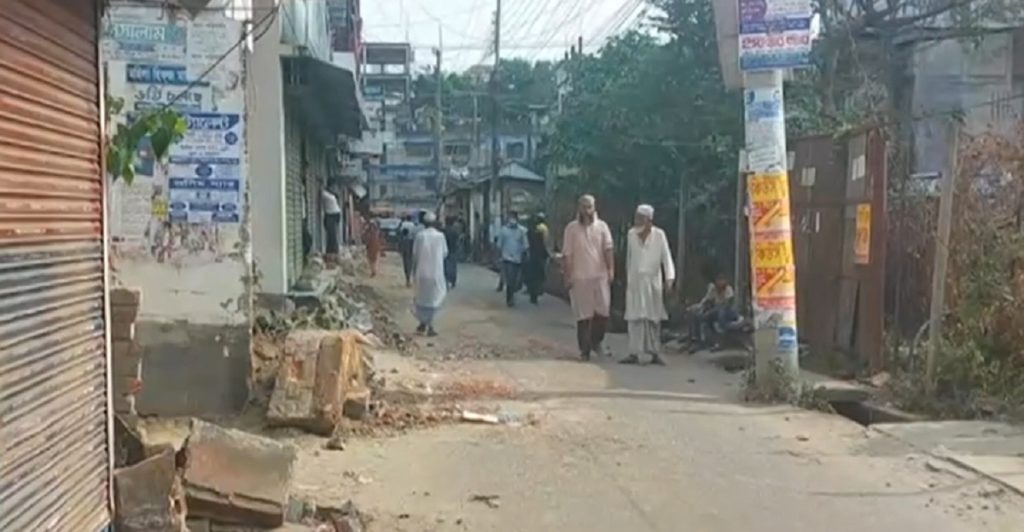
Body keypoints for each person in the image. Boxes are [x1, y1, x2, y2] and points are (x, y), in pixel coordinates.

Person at [620, 205, 676, 366]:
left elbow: (666, 258)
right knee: (634, 318)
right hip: (635, 282)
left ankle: (654, 353)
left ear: (649, 220)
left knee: (653, 319)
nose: (637, 221)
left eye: (640, 218)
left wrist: (669, 278)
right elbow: (629, 259)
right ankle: (634, 353)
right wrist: (628, 278)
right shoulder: (631, 234)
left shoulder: (659, 235)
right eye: (636, 217)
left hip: (653, 283)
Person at [563, 195, 614, 361]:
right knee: (583, 316)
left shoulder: (602, 227)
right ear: (579, 208)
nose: (587, 211)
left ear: (594, 208)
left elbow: (608, 249)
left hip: (600, 277)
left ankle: (596, 342)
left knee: (603, 313)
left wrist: (611, 269)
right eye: (584, 207)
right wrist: (568, 276)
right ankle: (584, 350)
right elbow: (567, 255)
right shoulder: (571, 229)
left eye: (589, 207)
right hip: (580, 278)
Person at [412, 212, 448, 336]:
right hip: (436, 272)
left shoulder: (419, 236)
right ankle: (430, 326)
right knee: (434, 299)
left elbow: (415, 254)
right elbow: (445, 253)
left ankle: (423, 323)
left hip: (421, 272)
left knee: (421, 299)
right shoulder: (440, 236)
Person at [689, 272, 738, 353]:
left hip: (729, 312)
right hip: (716, 310)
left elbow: (726, 304)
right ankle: (700, 340)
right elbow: (707, 300)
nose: (720, 282)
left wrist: (711, 311)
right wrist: (700, 307)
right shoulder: (713, 289)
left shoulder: (728, 289)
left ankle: (720, 343)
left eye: (722, 280)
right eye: (718, 280)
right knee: (700, 315)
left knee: (721, 314)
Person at [496, 211, 529, 307]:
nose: (512, 219)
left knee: (516, 281)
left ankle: (511, 294)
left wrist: (526, 255)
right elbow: (499, 245)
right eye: (510, 217)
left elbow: (526, 245)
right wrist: (498, 257)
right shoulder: (503, 230)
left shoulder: (522, 231)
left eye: (513, 217)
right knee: (510, 279)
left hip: (518, 259)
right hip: (506, 259)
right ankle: (509, 298)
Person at [524, 213, 550, 305]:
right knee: (539, 276)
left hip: (532, 257)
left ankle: (532, 293)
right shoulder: (542, 230)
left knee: (532, 276)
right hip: (539, 257)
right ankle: (536, 293)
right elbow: (544, 244)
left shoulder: (529, 232)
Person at [321, 183, 342, 266]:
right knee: (331, 235)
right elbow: (323, 193)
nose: (334, 188)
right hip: (330, 216)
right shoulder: (327, 195)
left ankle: (333, 253)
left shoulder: (331, 195)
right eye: (333, 187)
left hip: (334, 215)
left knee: (333, 235)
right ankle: (331, 253)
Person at [398, 214, 418, 287]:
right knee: (410, 261)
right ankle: (411, 278)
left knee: (405, 262)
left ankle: (407, 279)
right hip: (411, 243)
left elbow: (400, 234)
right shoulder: (413, 225)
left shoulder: (403, 224)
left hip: (404, 243)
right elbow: (415, 235)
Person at [443, 217, 460, 289]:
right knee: (453, 265)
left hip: (445, 249)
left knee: (446, 265)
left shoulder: (443, 230)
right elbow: (457, 240)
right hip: (453, 249)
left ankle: (446, 280)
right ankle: (453, 281)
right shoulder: (455, 231)